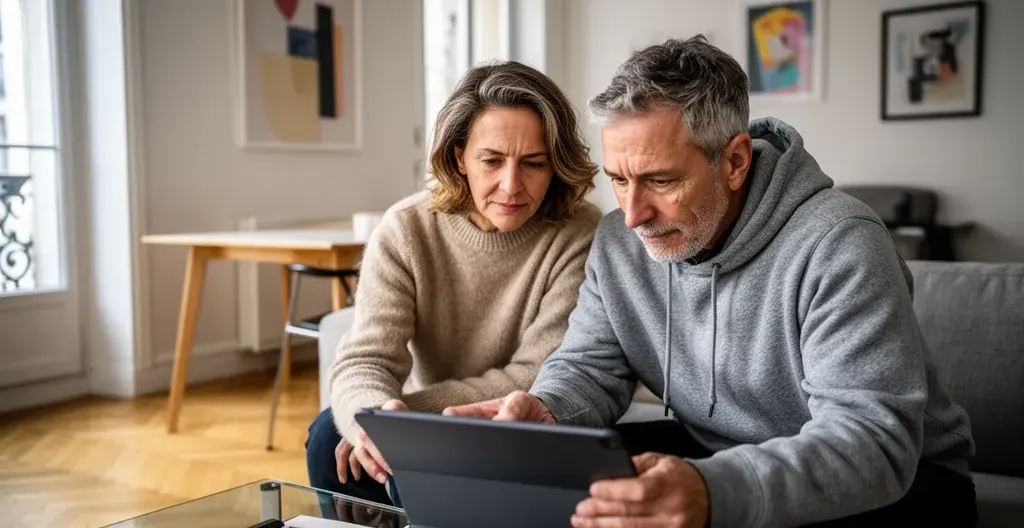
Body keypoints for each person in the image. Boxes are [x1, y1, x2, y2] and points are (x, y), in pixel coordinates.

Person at [446, 37, 976, 527]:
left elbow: (872, 443)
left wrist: (713, 490)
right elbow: (590, 367)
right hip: (716, 452)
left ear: (735, 161)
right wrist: (550, 407)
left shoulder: (840, 243)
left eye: (660, 180)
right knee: (565, 490)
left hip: (907, 484)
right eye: (620, 180)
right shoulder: (619, 242)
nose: (632, 214)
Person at [305, 60, 602, 507]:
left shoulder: (580, 233)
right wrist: (371, 422)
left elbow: (539, 373)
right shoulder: (406, 229)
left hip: (522, 424)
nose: (511, 185)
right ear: (459, 157)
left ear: (556, 165)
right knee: (332, 436)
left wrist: (415, 419)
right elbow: (364, 360)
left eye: (534, 164)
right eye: (492, 160)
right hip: (421, 426)